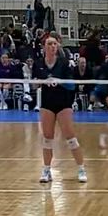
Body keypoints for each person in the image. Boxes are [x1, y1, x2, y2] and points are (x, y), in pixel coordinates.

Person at [33, 33, 87, 184]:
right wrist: (42, 81)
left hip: (63, 103)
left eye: (54, 44)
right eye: (49, 44)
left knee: (70, 137)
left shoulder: (64, 63)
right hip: (47, 103)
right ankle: (46, 170)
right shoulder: (38, 64)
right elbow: (34, 84)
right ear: (44, 47)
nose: (52, 46)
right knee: (47, 138)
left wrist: (58, 80)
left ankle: (81, 169)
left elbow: (72, 85)